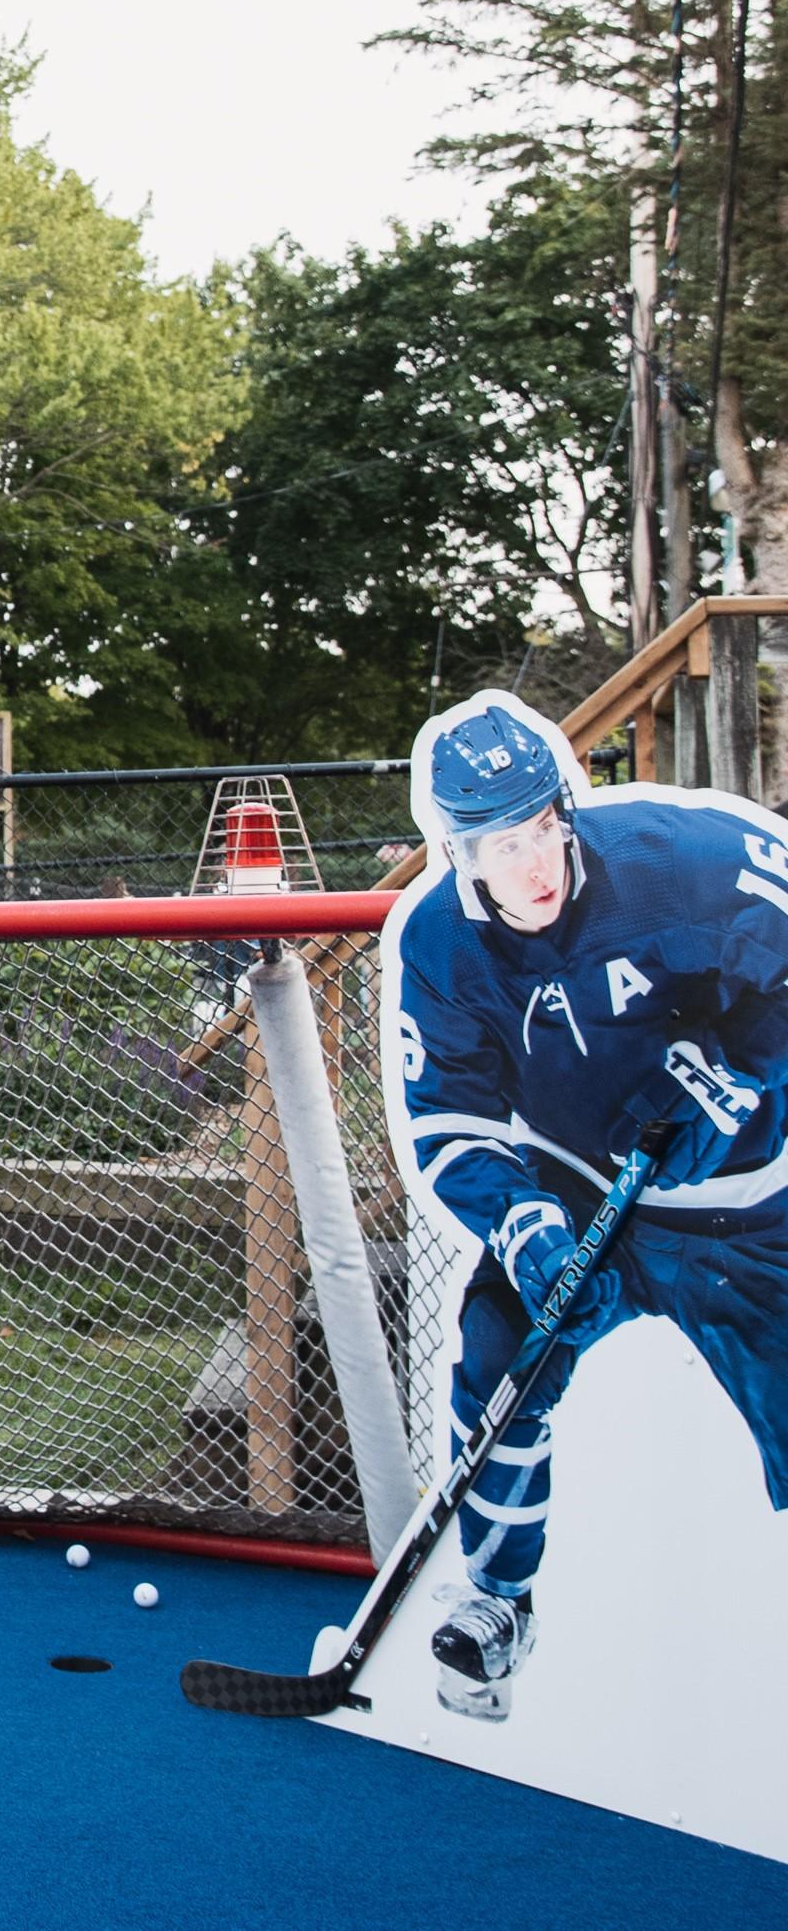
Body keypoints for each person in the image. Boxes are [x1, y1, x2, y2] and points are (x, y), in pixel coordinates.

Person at [391, 696, 788, 1723]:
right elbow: (450, 1117)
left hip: (750, 1209)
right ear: (455, 848)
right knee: (497, 1365)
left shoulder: (686, 860)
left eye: (543, 827)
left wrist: (747, 1082)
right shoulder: (440, 945)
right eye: (502, 843)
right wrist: (522, 1225)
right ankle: (497, 1600)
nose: (536, 864)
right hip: (578, 1185)